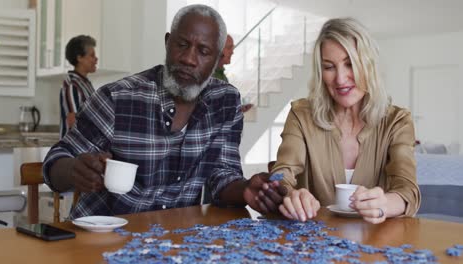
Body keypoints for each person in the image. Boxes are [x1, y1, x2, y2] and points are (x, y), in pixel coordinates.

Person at [42, 4, 279, 218]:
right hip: (100, 239)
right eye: (182, 44)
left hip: (173, 242)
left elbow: (223, 175)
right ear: (167, 42)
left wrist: (246, 190)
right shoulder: (117, 98)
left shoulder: (225, 102)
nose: (188, 59)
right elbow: (55, 162)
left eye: (203, 52)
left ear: (218, 59)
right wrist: (74, 170)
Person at [260, 18, 420, 224]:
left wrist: (385, 204)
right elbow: (282, 172)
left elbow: (408, 190)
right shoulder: (301, 114)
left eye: (350, 64)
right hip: (312, 242)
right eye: (329, 67)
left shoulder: (397, 121)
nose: (341, 79)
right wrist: (290, 193)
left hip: (376, 242)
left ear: (368, 65)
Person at [59, 35, 98, 138]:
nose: (96, 59)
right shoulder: (72, 85)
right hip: (75, 150)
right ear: (79, 58)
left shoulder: (86, 84)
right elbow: (73, 121)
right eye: (92, 55)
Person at [212, 34, 254, 113]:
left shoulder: (223, 77)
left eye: (232, 48)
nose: (232, 52)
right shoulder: (208, 76)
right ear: (218, 49)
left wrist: (238, 109)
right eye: (229, 48)